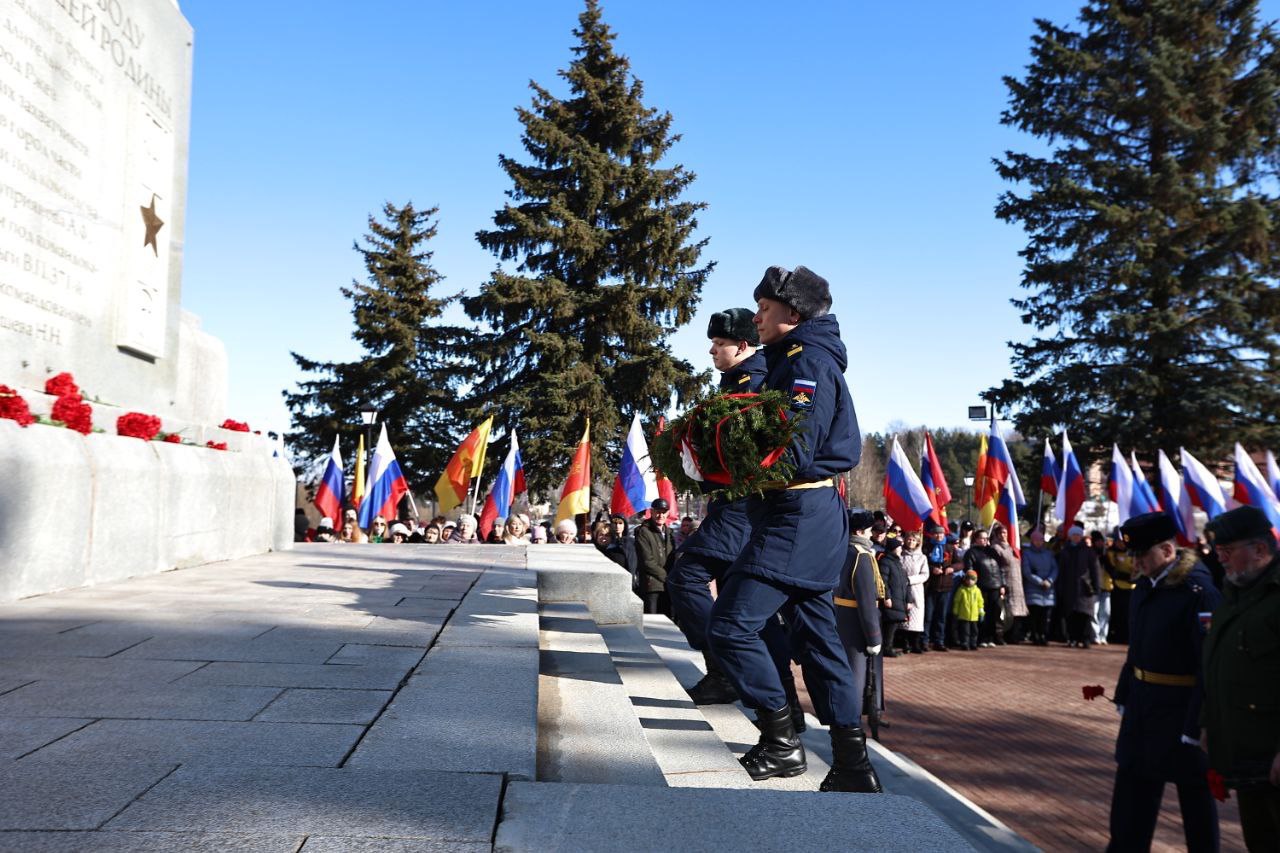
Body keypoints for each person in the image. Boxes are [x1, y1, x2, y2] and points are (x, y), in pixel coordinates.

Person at [705, 264, 874, 793]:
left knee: (731, 623)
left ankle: (782, 744)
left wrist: (726, 457)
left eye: (765, 309)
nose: (756, 317)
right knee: (820, 642)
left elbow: (791, 449)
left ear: (793, 315)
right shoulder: (791, 359)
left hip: (798, 516)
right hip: (805, 515)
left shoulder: (808, 364)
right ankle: (852, 766)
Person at [666, 306, 769, 704]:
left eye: (718, 343)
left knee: (685, 575)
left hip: (743, 504)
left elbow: (743, 450)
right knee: (729, 597)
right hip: (733, 503)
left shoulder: (751, 382)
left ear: (741, 346)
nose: (711, 351)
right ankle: (746, 684)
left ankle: (723, 668)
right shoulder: (738, 380)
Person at [1107, 512, 1221, 853]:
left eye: (1142, 555)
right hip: (1143, 707)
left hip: (1180, 710)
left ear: (1168, 551)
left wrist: (1196, 723)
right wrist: (1125, 692)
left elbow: (1207, 666)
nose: (1136, 562)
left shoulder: (1198, 592)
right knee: (1131, 796)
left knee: (1196, 803)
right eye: (1134, 555)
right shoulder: (1146, 586)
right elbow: (1136, 648)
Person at [1201, 505, 1280, 851]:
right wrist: (1208, 723)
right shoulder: (1235, 594)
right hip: (1247, 755)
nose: (1221, 559)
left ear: (1260, 550)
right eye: (1219, 552)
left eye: (1228, 552)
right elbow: (1216, 665)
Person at [833, 508, 885, 790]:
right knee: (855, 679)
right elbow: (867, 600)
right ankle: (850, 728)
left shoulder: (839, 548)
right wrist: (874, 636)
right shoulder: (863, 555)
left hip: (838, 617)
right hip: (855, 623)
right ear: (864, 531)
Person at [1056, 525, 1101, 648]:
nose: (1076, 537)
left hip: (1085, 587)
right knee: (1071, 615)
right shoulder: (1065, 551)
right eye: (1074, 535)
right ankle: (1073, 638)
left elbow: (1095, 570)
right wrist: (1060, 587)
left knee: (1085, 615)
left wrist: (1097, 586)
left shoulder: (1088, 551)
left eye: (1078, 535)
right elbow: (1061, 570)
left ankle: (1085, 638)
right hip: (1069, 587)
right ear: (1070, 536)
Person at [964, 529, 1005, 647]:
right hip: (980, 587)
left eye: (986, 538)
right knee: (982, 613)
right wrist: (973, 584)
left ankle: (990, 637)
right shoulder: (971, 552)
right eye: (982, 538)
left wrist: (1002, 584)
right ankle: (980, 638)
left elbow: (1000, 568)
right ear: (976, 539)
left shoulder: (993, 551)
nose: (985, 540)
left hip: (995, 586)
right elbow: (969, 570)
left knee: (994, 612)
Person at [634, 498, 675, 615]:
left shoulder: (670, 533)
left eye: (663, 512)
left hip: (667, 586)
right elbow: (647, 561)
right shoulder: (643, 531)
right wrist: (665, 576)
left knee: (667, 622)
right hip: (652, 585)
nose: (660, 515)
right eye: (657, 511)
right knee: (652, 621)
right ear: (651, 512)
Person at [991, 522, 1027, 643]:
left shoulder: (1014, 547)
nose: (1003, 535)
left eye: (1005, 532)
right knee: (1006, 610)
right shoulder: (996, 548)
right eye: (1000, 532)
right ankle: (1003, 635)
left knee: (1017, 610)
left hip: (1017, 581)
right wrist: (1001, 583)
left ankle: (1015, 635)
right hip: (1005, 581)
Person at [1022, 527, 1057, 645]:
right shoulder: (1027, 553)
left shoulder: (1049, 553)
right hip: (1034, 589)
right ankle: (1035, 635)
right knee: (1035, 615)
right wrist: (1039, 582)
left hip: (1048, 589)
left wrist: (1049, 581)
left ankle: (1044, 635)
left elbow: (1055, 568)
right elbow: (1027, 572)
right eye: (1036, 540)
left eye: (1041, 540)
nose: (1039, 542)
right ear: (1032, 541)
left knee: (1045, 616)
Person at [923, 523, 952, 652]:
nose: (939, 536)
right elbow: (923, 563)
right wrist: (931, 569)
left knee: (941, 616)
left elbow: (960, 563)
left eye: (941, 533)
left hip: (945, 587)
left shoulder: (949, 548)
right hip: (931, 587)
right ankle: (924, 640)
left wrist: (952, 568)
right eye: (936, 533)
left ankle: (939, 641)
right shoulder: (927, 547)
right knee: (928, 616)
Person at [878, 536, 908, 657]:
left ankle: (889, 646)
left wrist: (908, 599)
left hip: (899, 599)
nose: (901, 549)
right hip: (892, 600)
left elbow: (904, 583)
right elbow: (883, 582)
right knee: (890, 625)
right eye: (899, 547)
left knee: (894, 625)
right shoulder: (886, 562)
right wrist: (887, 597)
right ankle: (887, 648)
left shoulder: (897, 563)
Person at [901, 530, 930, 653]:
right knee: (904, 617)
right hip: (902, 588)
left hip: (916, 589)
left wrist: (910, 579)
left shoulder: (922, 557)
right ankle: (904, 644)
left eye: (913, 540)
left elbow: (925, 575)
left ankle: (916, 644)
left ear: (917, 542)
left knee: (916, 618)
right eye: (909, 539)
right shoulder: (901, 555)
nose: (911, 542)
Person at [593, 518, 638, 590]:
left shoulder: (618, 550)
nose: (604, 538)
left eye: (607, 535)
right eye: (601, 534)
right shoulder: (594, 550)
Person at [952, 570, 984, 651]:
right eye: (968, 579)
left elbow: (980, 602)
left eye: (972, 579)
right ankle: (965, 643)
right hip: (964, 615)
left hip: (974, 616)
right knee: (965, 631)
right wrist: (955, 611)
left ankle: (973, 643)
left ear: (975, 580)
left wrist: (981, 612)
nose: (970, 581)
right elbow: (957, 601)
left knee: (974, 631)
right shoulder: (961, 590)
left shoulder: (977, 591)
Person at [1092, 529, 1113, 645]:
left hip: (1106, 586)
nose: (1100, 543)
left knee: (1105, 612)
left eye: (1102, 541)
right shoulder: (1092, 554)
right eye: (1098, 541)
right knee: (1094, 612)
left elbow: (1112, 570)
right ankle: (1095, 635)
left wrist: (1106, 560)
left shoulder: (1107, 554)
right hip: (1095, 587)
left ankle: (1103, 635)